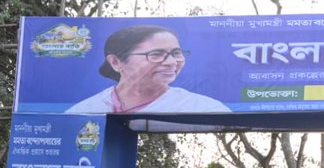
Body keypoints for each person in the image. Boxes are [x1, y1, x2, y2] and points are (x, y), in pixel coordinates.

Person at [66, 24, 230, 114]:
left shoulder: (205, 109)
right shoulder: (83, 112)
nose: (171, 62)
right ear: (116, 62)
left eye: (176, 53)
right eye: (156, 54)